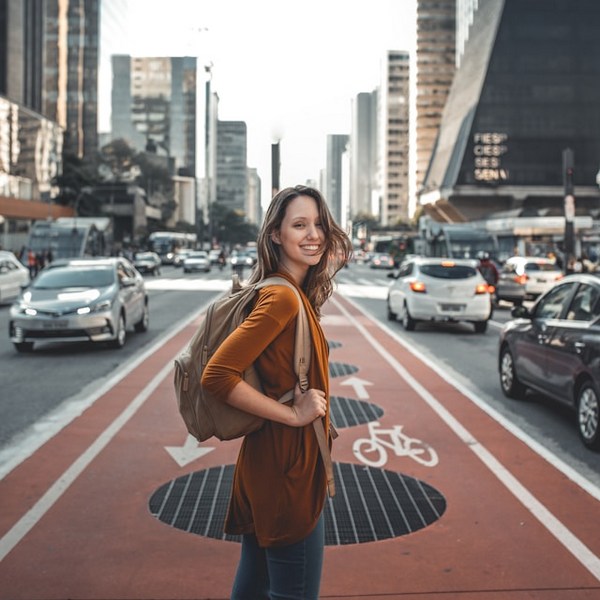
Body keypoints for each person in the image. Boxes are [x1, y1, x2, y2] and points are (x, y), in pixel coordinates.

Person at [201, 185, 352, 600]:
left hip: (266, 464)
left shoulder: (288, 291)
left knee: (253, 587)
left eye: (319, 224)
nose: (313, 235)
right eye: (299, 225)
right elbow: (217, 376)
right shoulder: (282, 298)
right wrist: (294, 414)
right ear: (275, 235)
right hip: (289, 470)